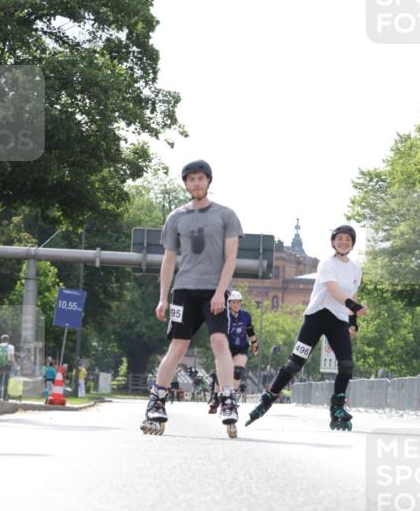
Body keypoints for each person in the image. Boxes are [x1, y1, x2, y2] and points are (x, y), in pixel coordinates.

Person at [141, 159, 242, 435]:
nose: (196, 183)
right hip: (184, 290)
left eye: (201, 178)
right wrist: (163, 297)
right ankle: (157, 400)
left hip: (215, 291)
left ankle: (228, 399)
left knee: (219, 341)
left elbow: (231, 258)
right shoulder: (176, 217)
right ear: (186, 183)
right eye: (191, 179)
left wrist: (221, 292)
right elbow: (169, 259)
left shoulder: (226, 215)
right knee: (178, 346)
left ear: (209, 181)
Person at [246, 225, 368, 431]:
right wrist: (355, 307)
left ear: (353, 243)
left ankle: (337, 406)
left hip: (338, 320)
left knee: (347, 365)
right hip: (316, 317)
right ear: (333, 242)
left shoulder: (356, 269)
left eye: (348, 239)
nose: (343, 242)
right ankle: (268, 398)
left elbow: (352, 294)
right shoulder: (326, 264)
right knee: (295, 364)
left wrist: (353, 321)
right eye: (339, 239)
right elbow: (334, 291)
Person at [208, 290, 258, 412]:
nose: (236, 304)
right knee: (223, 372)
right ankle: (216, 396)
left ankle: (232, 396)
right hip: (226, 347)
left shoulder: (245, 315)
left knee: (237, 371)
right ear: (229, 303)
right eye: (233, 302)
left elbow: (250, 330)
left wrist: (254, 343)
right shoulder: (224, 315)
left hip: (241, 347)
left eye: (238, 302)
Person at [0, 333, 15, 400]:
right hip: (8, 365)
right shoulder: (11, 347)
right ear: (8, 340)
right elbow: (12, 357)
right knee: (6, 380)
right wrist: (15, 365)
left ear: (1, 340)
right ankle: (5, 396)